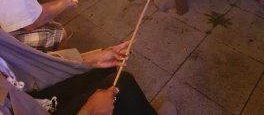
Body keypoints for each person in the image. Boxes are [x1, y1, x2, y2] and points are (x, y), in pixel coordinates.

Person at [0, 30, 177, 114]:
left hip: (24, 96)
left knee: (99, 71)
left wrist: (88, 60)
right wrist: (89, 111)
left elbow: (24, 68)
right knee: (122, 84)